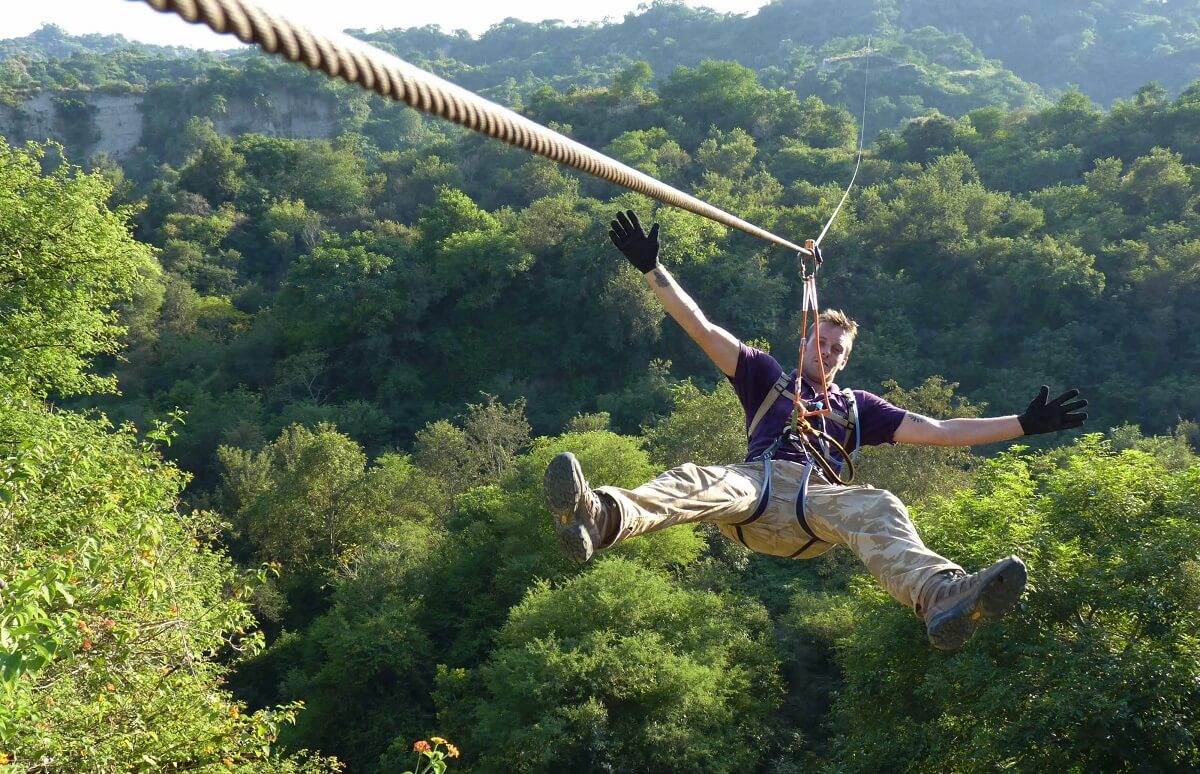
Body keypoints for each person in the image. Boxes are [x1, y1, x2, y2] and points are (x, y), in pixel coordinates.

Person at [544, 210, 1088, 650]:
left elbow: (941, 429)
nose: (827, 353)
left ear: (845, 361)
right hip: (754, 489)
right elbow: (702, 329)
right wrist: (652, 270)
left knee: (880, 506)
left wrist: (1022, 425)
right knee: (698, 481)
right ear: (803, 342)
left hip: (816, 506)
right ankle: (600, 517)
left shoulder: (858, 408)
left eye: (838, 351)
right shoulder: (764, 376)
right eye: (821, 343)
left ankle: (942, 595)